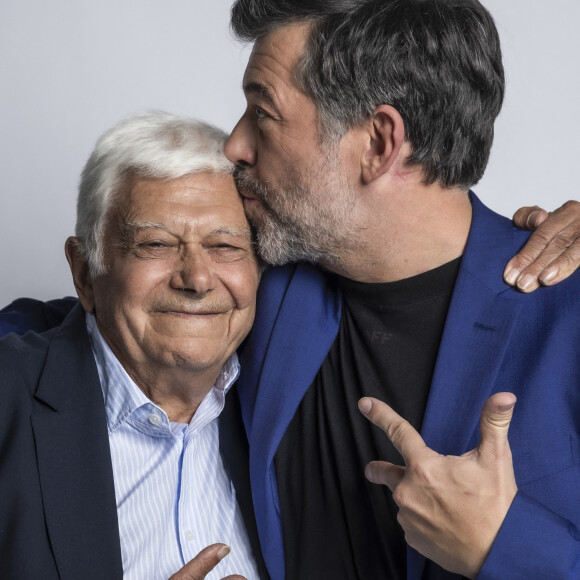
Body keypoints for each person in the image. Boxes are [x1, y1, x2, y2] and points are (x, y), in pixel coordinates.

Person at [221, 0, 580, 579]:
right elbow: (77, 333)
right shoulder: (256, 280)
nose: (234, 145)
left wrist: (504, 548)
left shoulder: (568, 309)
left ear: (380, 142)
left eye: (262, 112)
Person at [0, 112, 268, 580]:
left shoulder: (284, 404)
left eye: (225, 246)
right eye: (156, 244)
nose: (198, 278)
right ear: (85, 273)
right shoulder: (8, 402)